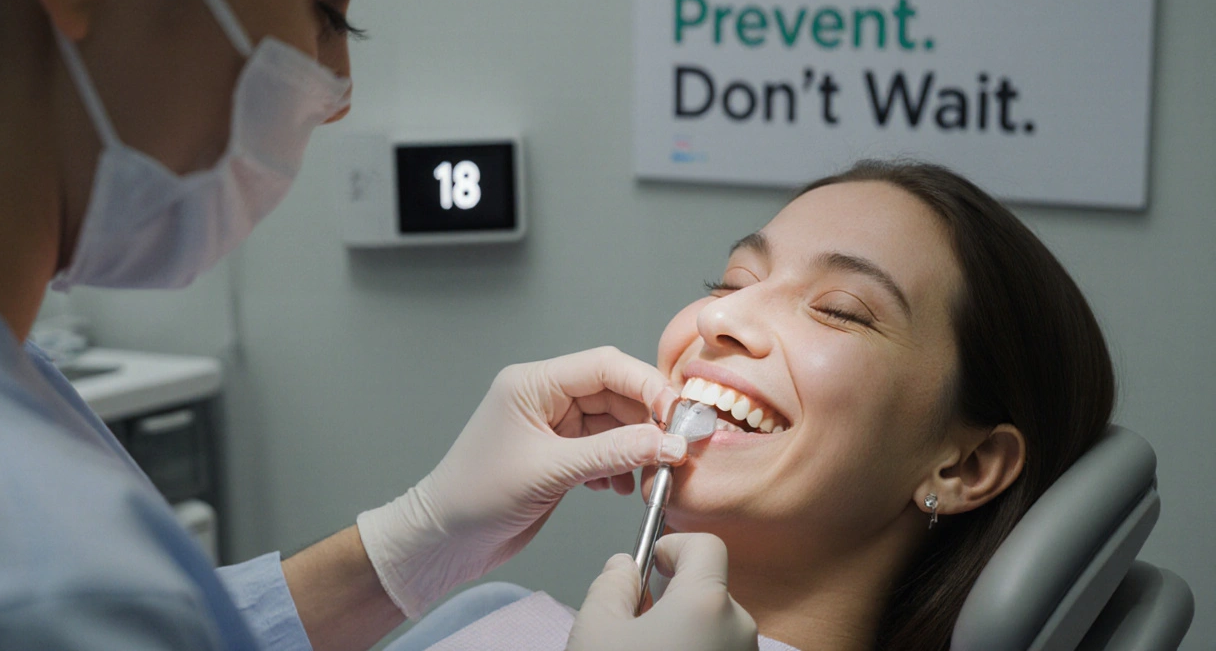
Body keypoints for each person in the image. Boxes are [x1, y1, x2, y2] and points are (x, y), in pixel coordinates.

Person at [0, 0, 760, 650]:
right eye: (331, 10)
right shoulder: (26, 567)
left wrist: (416, 540)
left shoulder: (3, 386)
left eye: (839, 308)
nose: (340, 89)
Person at [389, 160, 1116, 651]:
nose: (718, 320)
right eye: (732, 281)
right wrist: (405, 543)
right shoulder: (488, 616)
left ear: (967, 465)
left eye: (841, 310)